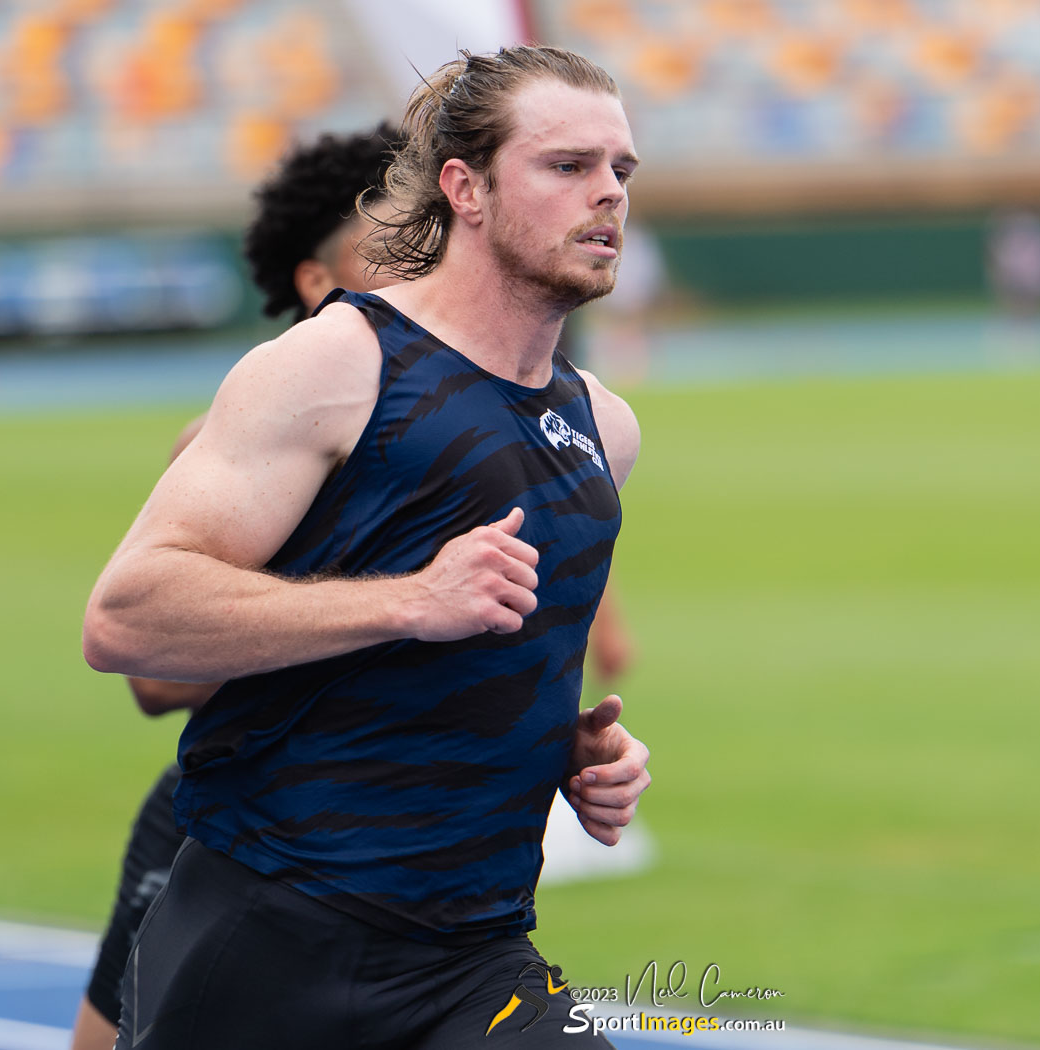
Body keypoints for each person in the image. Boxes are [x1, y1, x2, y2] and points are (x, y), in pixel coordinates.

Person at [82, 45, 650, 1049]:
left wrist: (560, 752)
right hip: (271, 934)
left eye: (620, 170)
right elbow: (127, 621)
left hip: (474, 961)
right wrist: (404, 600)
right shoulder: (338, 364)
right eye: (567, 166)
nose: (606, 194)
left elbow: (478, 662)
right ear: (463, 188)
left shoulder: (603, 428)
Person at [68, 123, 405, 1050]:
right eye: (392, 249)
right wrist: (373, 613)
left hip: (396, 847)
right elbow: (152, 676)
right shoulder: (225, 441)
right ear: (317, 282)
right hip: (219, 829)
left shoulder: (454, 440)